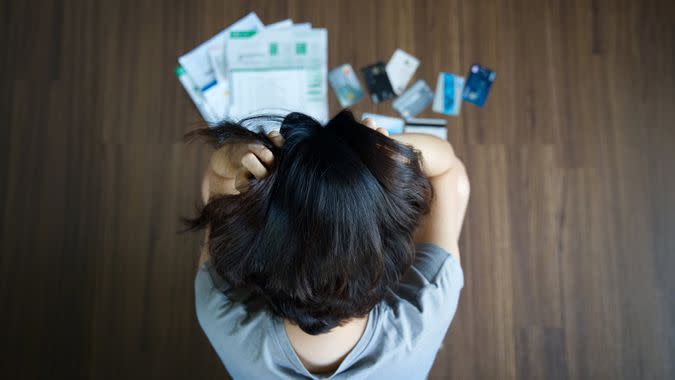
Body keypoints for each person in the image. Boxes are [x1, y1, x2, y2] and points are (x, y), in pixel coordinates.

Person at [188, 110, 470, 379]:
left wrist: (229, 159)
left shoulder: (218, 311)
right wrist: (392, 154)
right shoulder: (428, 307)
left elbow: (212, 191)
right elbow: (450, 172)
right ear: (392, 259)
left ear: (252, 254)